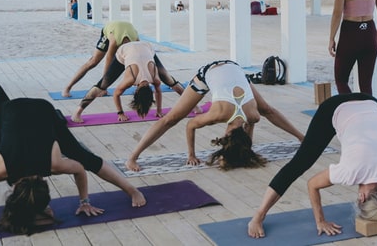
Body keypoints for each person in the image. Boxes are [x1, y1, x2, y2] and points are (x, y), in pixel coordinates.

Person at [0, 97, 146, 236]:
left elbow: (80, 168)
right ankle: (131, 189)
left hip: (41, 111)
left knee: (83, 156)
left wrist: (85, 201)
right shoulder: (10, 169)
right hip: (8, 112)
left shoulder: (46, 164)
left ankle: (132, 189)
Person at [247, 92, 377, 239]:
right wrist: (320, 221)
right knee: (301, 162)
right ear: (361, 197)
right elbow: (312, 184)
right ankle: (258, 216)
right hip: (334, 108)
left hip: (371, 103)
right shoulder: (350, 172)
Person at [125, 59, 304, 172]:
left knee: (267, 109)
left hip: (235, 69)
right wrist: (191, 155)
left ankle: (301, 137)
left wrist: (246, 148)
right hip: (208, 73)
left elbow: (250, 125)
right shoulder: (218, 114)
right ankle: (132, 157)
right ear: (226, 136)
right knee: (171, 119)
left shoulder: (253, 115)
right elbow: (190, 125)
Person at [62, 20, 184, 119]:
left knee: (168, 78)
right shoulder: (117, 47)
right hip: (112, 32)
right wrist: (105, 84)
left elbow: (156, 90)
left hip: (144, 47)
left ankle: (192, 104)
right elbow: (109, 59)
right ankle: (69, 90)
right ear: (136, 92)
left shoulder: (136, 40)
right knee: (93, 63)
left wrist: (158, 111)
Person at [111, 40, 173, 121]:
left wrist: (159, 110)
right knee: (105, 82)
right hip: (126, 48)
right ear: (136, 92)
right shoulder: (130, 79)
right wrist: (120, 113)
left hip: (145, 45)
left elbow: (158, 91)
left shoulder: (155, 79)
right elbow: (115, 94)